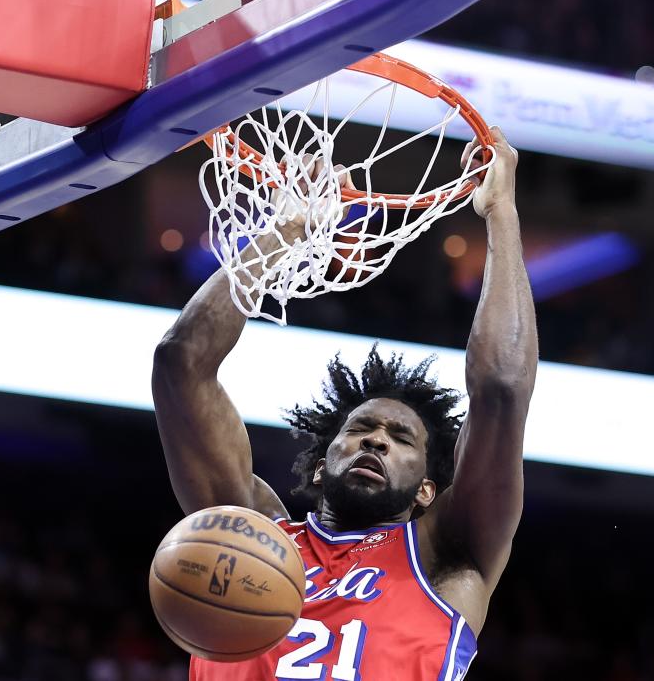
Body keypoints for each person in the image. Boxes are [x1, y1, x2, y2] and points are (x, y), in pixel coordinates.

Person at [152, 127, 537, 680]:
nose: (376, 439)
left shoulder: (446, 557)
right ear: (318, 461)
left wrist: (502, 212)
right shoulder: (250, 531)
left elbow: (501, 388)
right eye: (361, 429)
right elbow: (180, 362)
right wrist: (285, 231)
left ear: (429, 488)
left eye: (401, 439)